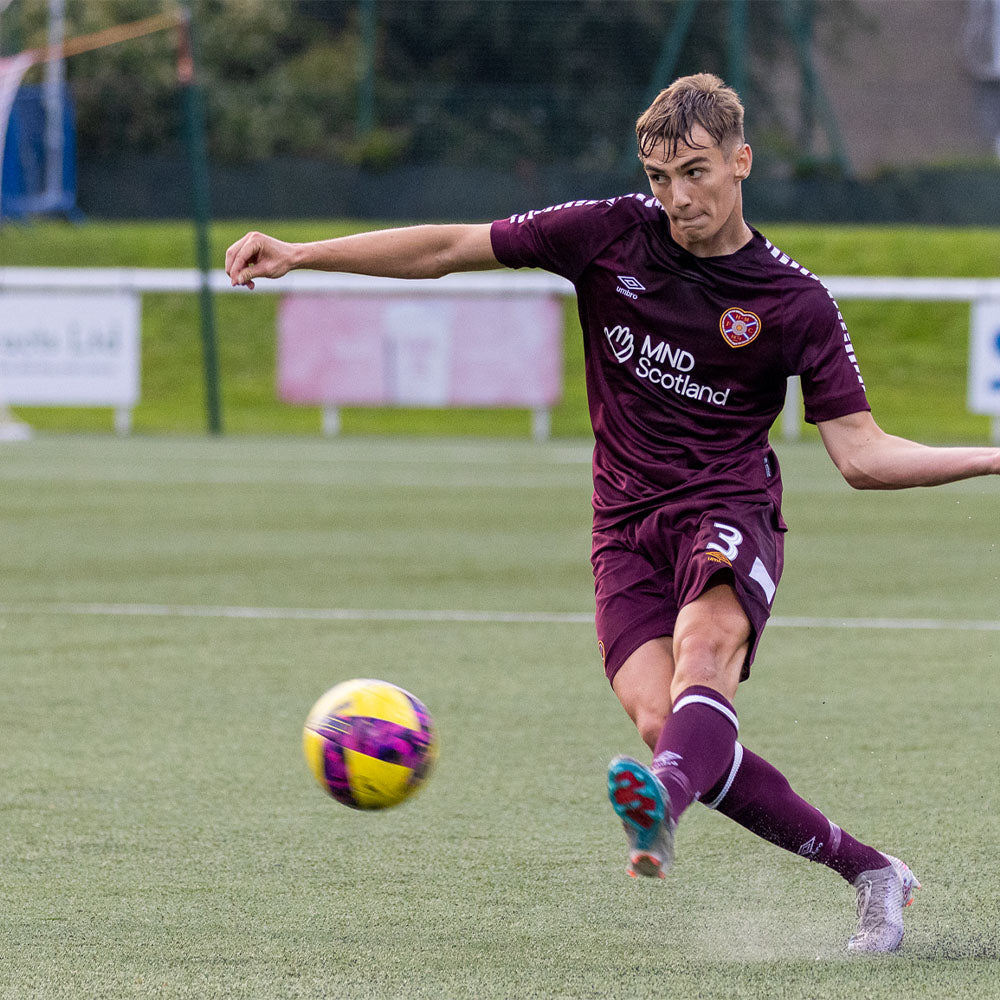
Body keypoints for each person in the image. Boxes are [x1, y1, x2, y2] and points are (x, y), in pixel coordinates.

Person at [226, 73, 1000, 952]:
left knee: (704, 663)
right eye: (661, 175)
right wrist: (301, 253)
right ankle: (871, 871)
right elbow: (448, 245)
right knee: (666, 729)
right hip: (622, 526)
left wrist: (989, 456)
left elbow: (861, 456)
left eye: (697, 173)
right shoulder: (609, 234)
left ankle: (656, 808)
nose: (677, 197)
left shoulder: (794, 303)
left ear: (741, 162)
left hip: (728, 509)